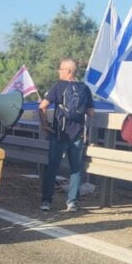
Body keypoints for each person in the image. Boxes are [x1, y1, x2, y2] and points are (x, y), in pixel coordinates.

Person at [38, 58, 95, 213]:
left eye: (61, 69)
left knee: (52, 168)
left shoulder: (58, 86)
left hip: (59, 134)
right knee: (76, 170)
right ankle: (72, 202)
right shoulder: (84, 88)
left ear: (68, 71)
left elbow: (42, 106)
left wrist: (45, 125)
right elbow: (90, 112)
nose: (59, 71)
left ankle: (46, 201)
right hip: (78, 135)